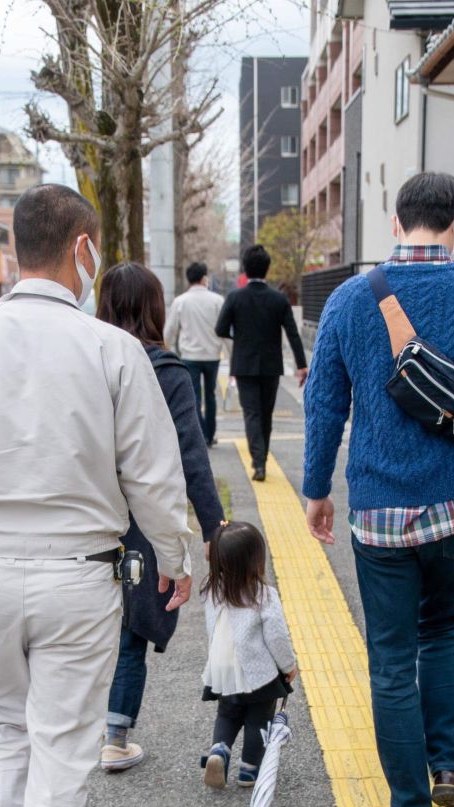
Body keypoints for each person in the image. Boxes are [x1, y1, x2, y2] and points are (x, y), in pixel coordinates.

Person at [0, 184, 192, 807]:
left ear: (15, 247)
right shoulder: (111, 349)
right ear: (85, 250)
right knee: (61, 739)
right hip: (76, 573)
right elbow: (152, 476)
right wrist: (177, 557)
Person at [303, 171, 454, 807]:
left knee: (392, 658)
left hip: (378, 512)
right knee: (439, 638)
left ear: (397, 225)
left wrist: (315, 490)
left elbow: (323, 408)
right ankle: (450, 767)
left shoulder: (346, 301)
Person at [96, 262, 224, 771]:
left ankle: (69, 735)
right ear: (154, 308)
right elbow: (190, 453)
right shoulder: (166, 371)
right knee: (131, 627)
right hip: (139, 521)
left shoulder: (85, 359)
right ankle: (114, 735)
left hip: (83, 515)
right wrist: (213, 527)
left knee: (82, 629)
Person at [199, 521, 297, 789]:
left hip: (222, 669)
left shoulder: (211, 589)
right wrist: (288, 665)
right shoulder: (263, 594)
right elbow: (276, 637)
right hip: (257, 672)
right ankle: (249, 770)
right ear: (256, 560)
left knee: (228, 714)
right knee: (258, 718)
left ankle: (219, 750)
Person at [216, 244, 308, 481]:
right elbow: (293, 333)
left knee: (252, 414)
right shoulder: (278, 299)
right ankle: (262, 458)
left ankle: (258, 463)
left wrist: (241, 337)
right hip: (271, 365)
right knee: (266, 413)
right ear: (267, 270)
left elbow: (220, 328)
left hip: (244, 364)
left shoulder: (235, 297)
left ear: (245, 270)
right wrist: (301, 365)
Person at [165, 261, 225, 447]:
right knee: (211, 395)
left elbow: (170, 331)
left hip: (190, 356)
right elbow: (225, 330)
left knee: (194, 397)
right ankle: (210, 434)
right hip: (212, 355)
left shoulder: (180, 301)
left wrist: (164, 348)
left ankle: (200, 434)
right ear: (204, 278)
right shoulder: (217, 301)